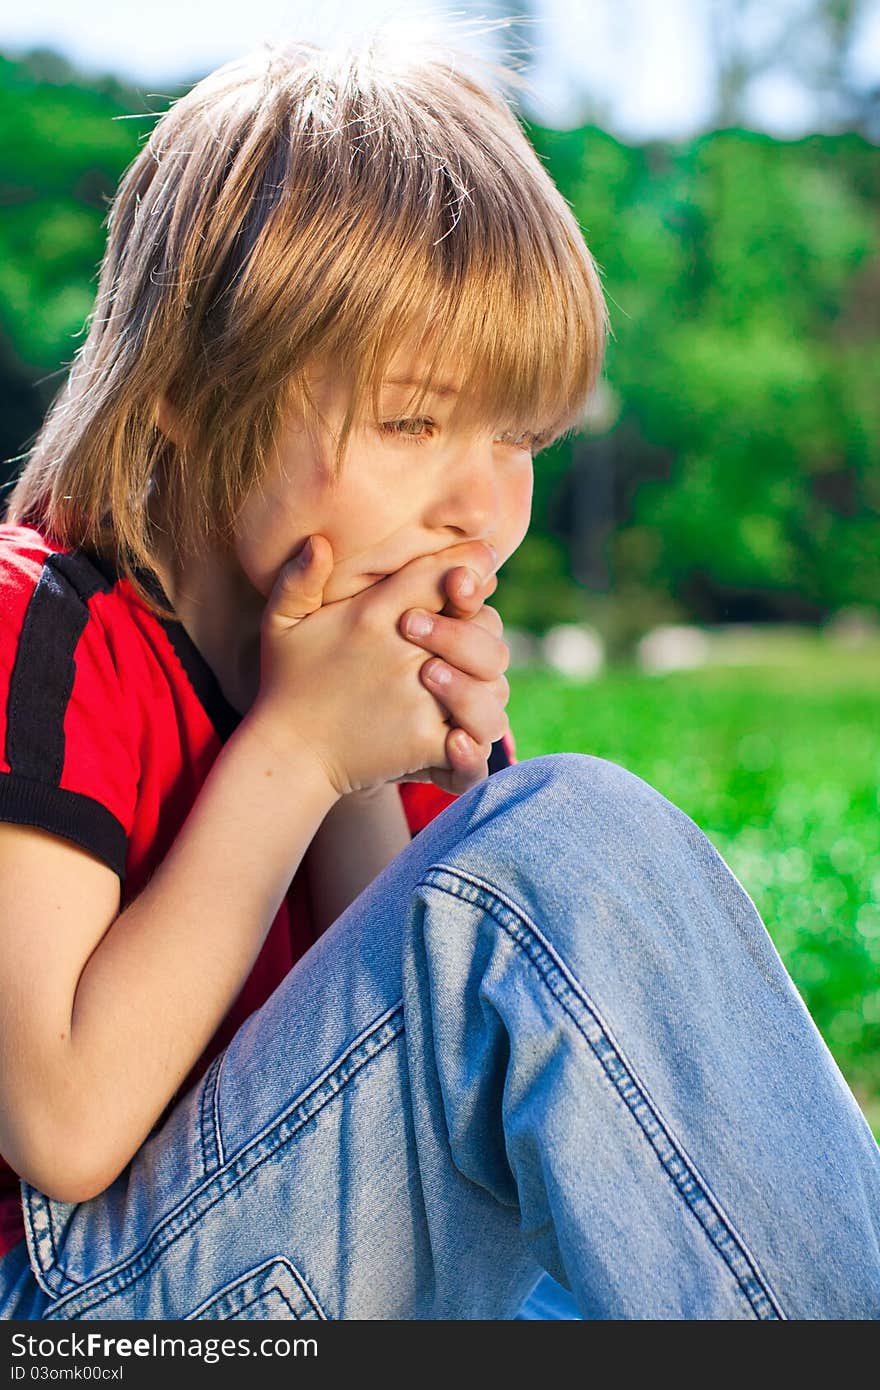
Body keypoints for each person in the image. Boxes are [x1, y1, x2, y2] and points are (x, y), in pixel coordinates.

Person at [0, 35, 877, 1323]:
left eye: (519, 437)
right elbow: (62, 1122)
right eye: (412, 422)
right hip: (68, 1316)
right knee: (569, 841)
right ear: (185, 395)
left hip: (306, 1276)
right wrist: (300, 757)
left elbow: (412, 1102)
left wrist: (416, 799)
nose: (480, 507)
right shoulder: (45, 627)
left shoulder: (356, 668)